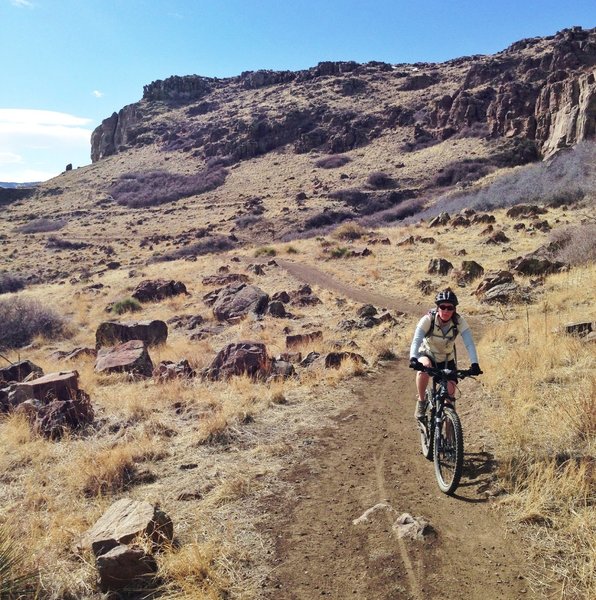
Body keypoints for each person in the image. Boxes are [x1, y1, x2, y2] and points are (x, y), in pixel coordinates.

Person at [408, 288, 481, 419]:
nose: (446, 311)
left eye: (450, 308)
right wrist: (413, 358)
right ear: (438, 308)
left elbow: (469, 343)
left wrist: (474, 364)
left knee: (450, 398)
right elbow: (417, 339)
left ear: (454, 309)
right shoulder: (428, 319)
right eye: (442, 307)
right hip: (428, 353)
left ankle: (450, 434)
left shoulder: (459, 321)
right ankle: (422, 400)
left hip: (447, 359)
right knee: (424, 369)